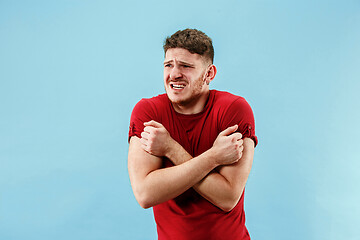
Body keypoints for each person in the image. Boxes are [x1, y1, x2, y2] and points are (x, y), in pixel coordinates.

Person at [128, 29, 258, 240]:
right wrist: (214, 157)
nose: (174, 74)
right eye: (168, 65)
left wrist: (170, 148)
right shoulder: (149, 112)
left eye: (186, 66)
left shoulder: (234, 109)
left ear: (209, 74)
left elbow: (227, 197)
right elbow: (145, 193)